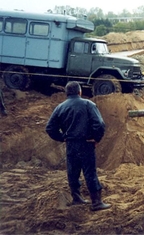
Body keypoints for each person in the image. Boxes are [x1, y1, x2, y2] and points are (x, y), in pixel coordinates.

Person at [45, 81, 111, 211]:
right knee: (89, 171)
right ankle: (96, 202)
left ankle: (77, 198)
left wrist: (62, 137)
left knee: (73, 171)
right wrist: (96, 138)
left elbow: (50, 128)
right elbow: (99, 124)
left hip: (71, 144)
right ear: (79, 92)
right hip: (86, 143)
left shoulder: (60, 107)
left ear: (66, 93)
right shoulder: (88, 104)